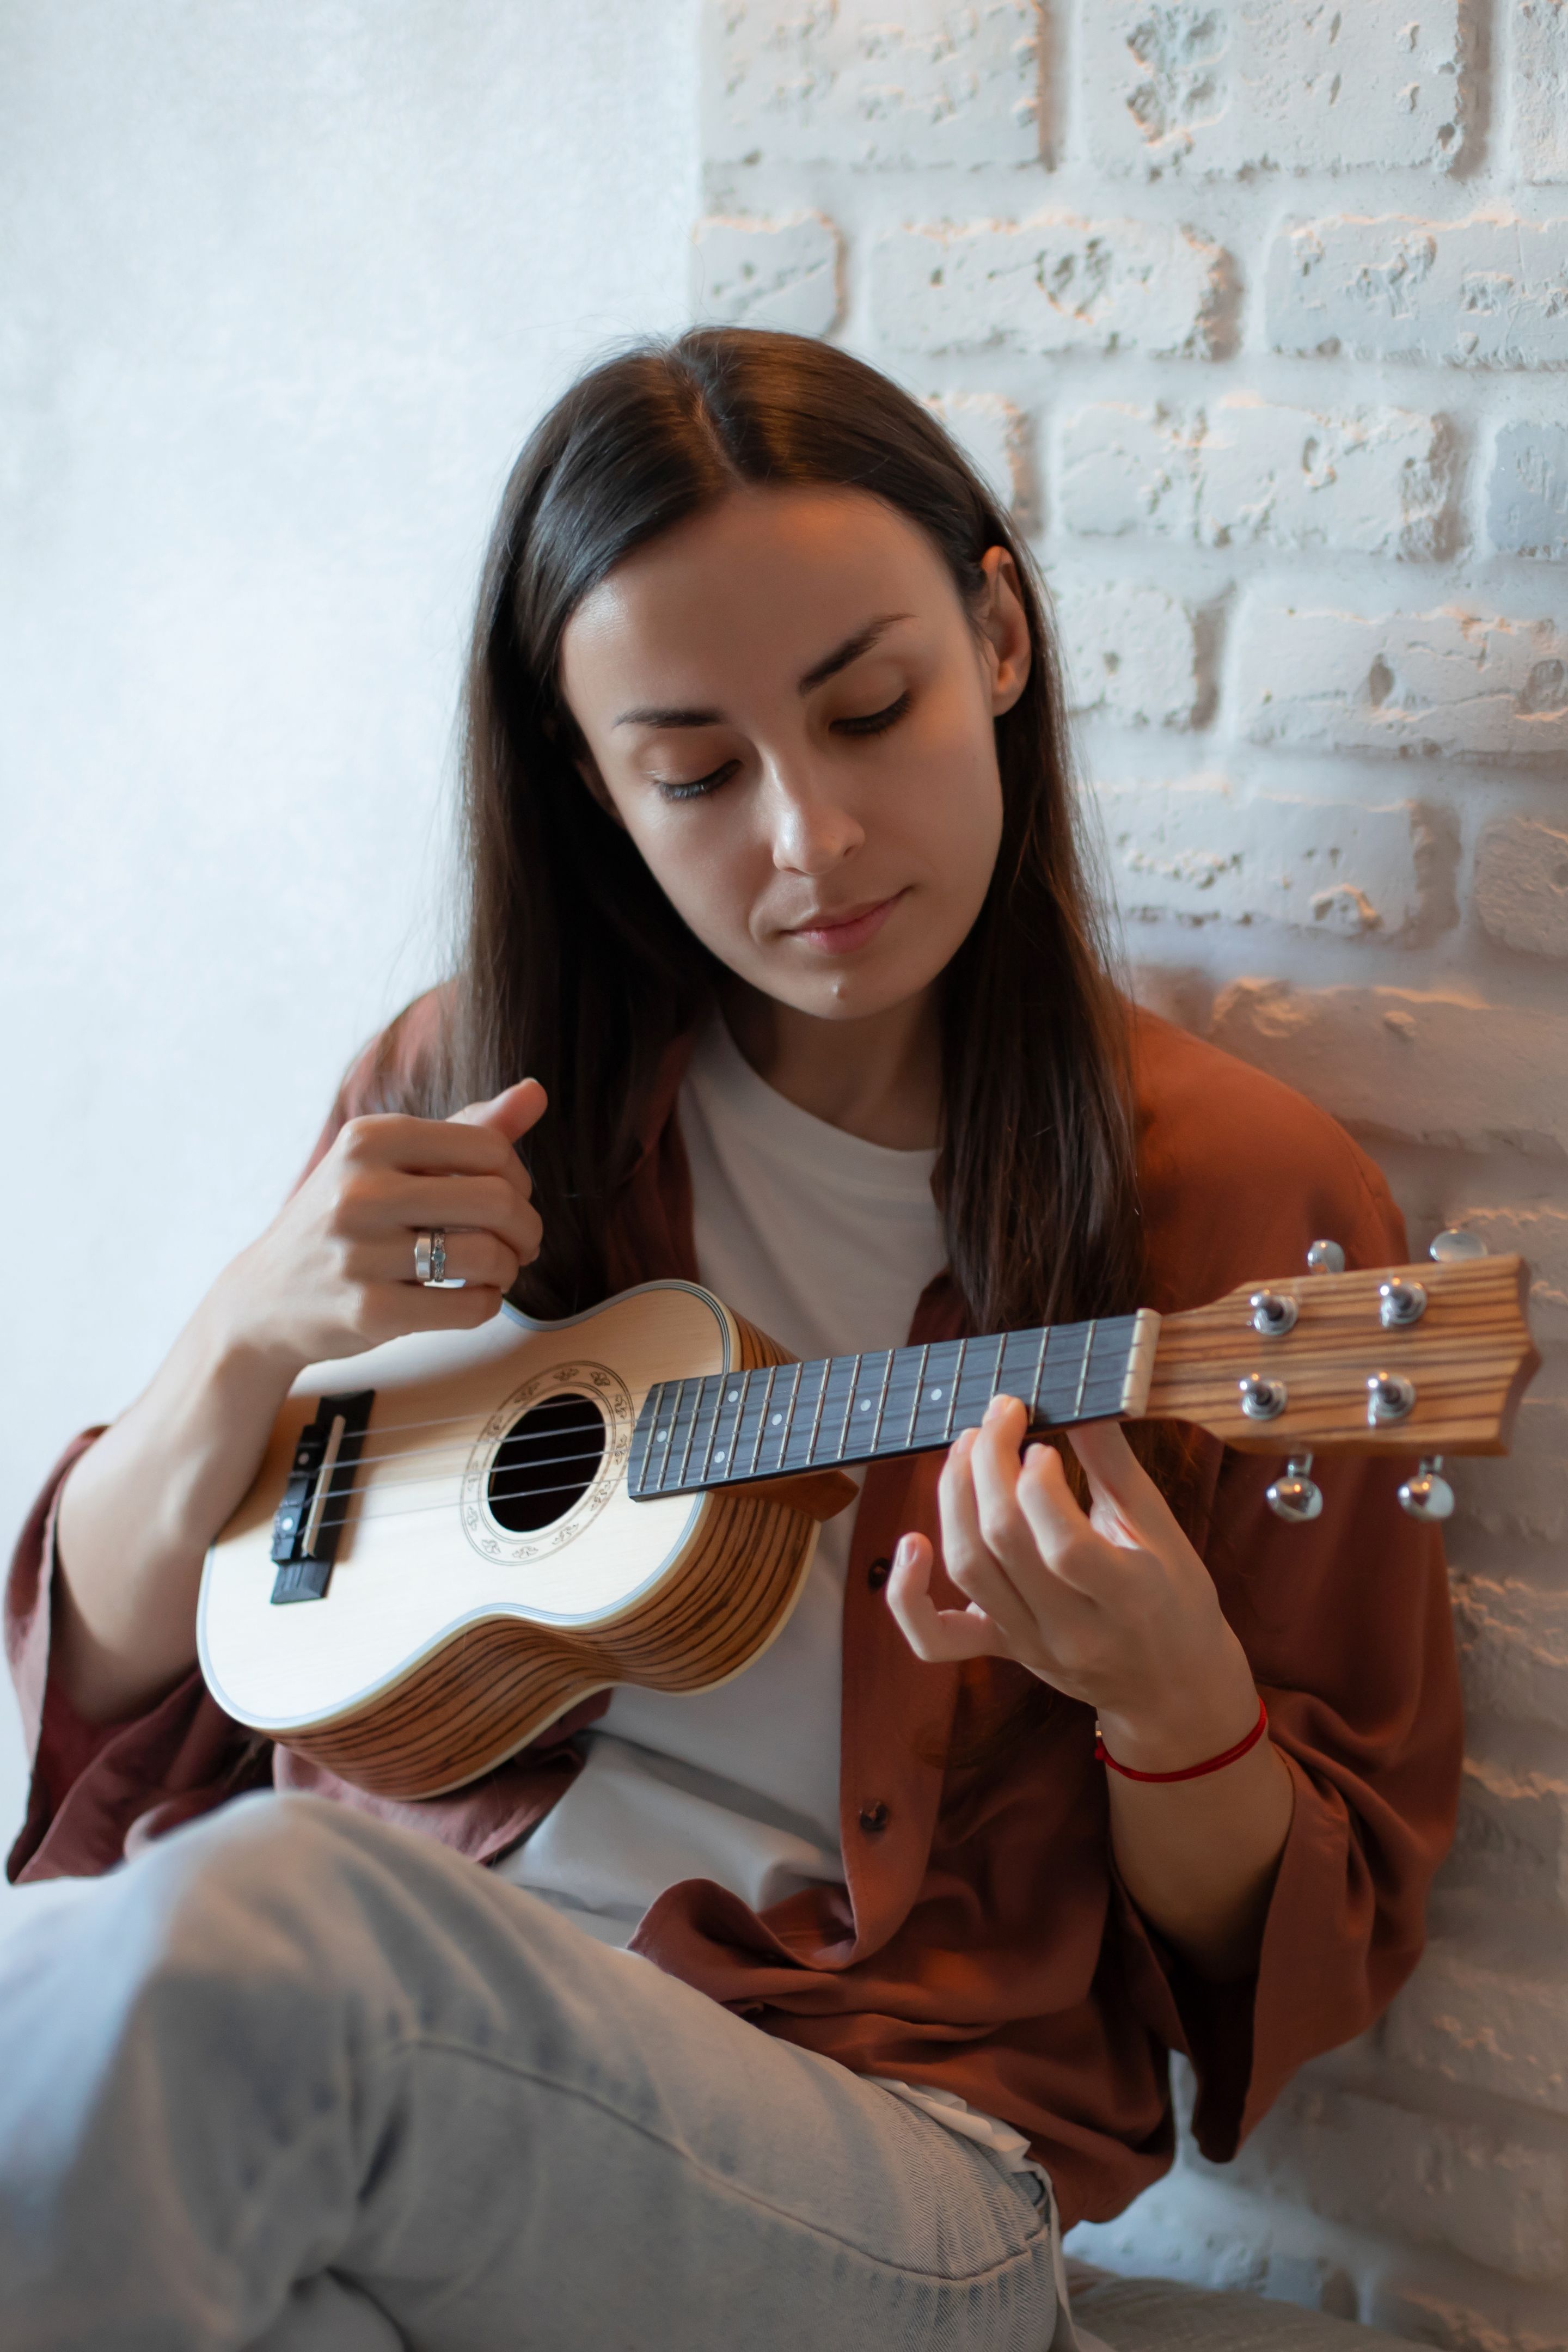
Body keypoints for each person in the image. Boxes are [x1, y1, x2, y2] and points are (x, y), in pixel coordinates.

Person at [1, 329, 1461, 2352]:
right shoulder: (469, 1086)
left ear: (1002, 635)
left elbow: (1298, 1961)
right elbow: (123, 1666)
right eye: (694, 772)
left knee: (265, 1935)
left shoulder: (1240, 1217)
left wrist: (1169, 1693)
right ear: (588, 784)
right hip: (396, 2056)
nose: (814, 840)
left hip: (883, 2153)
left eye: (872, 710)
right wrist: (237, 1343)